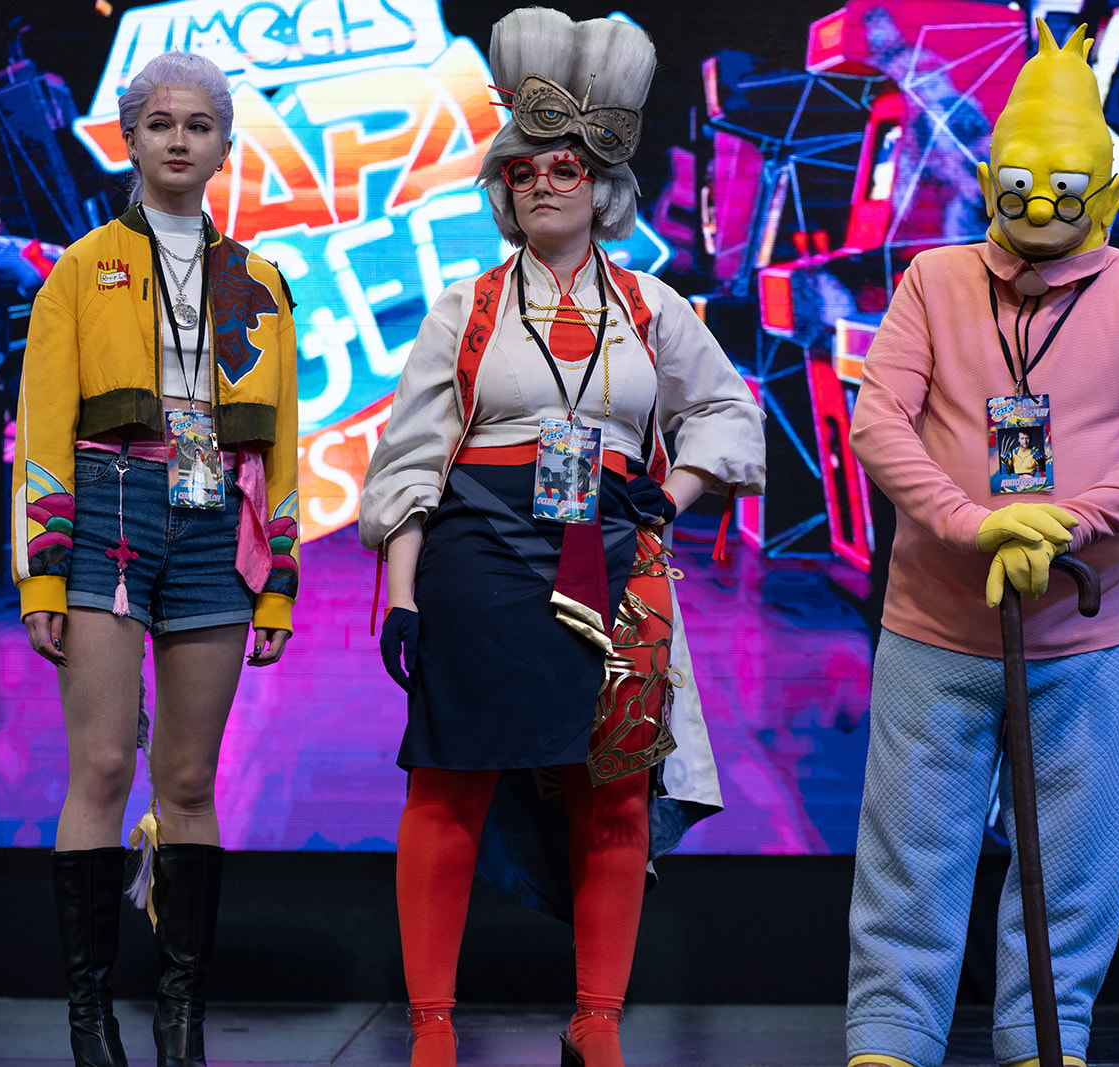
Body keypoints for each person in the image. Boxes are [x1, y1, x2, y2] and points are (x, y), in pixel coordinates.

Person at [357, 9, 764, 1067]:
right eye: (524, 166)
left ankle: (596, 1019)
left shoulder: (651, 305)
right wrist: (402, 591)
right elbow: (409, 460)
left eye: (566, 166)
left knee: (614, 783)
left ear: (602, 183)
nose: (544, 181)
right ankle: (432, 1027)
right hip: (479, 563)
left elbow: (728, 414)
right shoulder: (467, 308)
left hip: (616, 558)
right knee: (449, 779)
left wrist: (669, 497)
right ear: (503, 184)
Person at [844, 22, 1119, 1067]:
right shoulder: (934, 279)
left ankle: (1045, 1036)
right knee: (911, 845)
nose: (1040, 208)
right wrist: (975, 522)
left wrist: (1066, 523)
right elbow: (880, 420)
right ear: (988, 180)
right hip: (935, 622)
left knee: (1072, 860)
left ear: (1108, 194)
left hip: (1086, 631)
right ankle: (891, 1036)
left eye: (1064, 189)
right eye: (1018, 186)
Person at [11, 51, 301, 1067]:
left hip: (216, 516)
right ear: (129, 139)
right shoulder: (80, 268)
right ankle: (90, 1022)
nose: (180, 139)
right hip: (106, 509)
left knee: (186, 777)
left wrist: (280, 584)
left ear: (224, 146)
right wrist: (43, 569)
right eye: (161, 123)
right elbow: (43, 425)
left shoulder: (260, 278)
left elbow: (282, 442)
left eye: (200, 124)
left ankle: (181, 1023)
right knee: (100, 763)